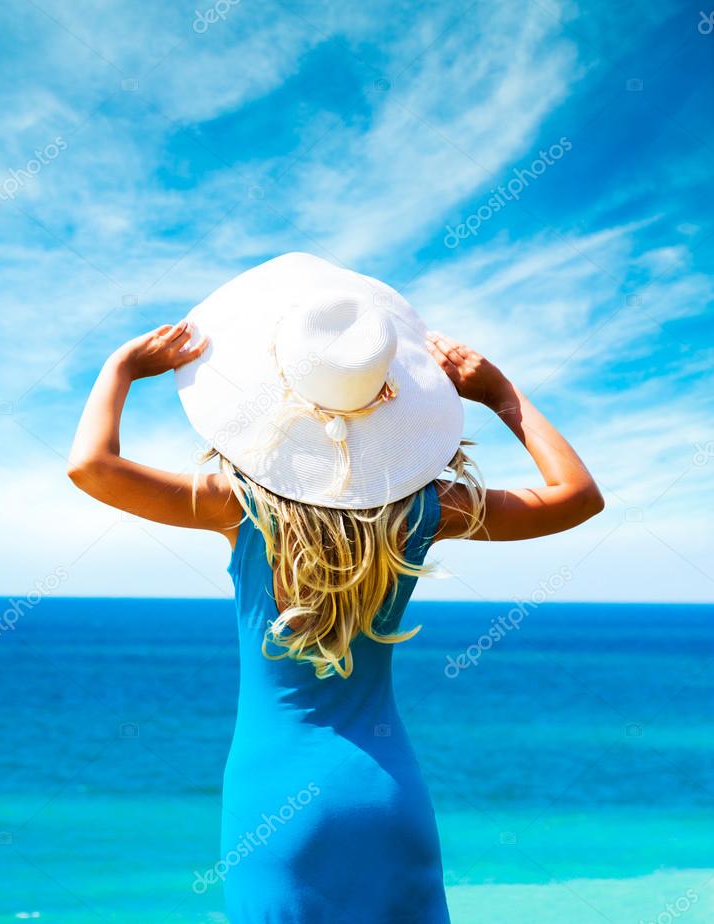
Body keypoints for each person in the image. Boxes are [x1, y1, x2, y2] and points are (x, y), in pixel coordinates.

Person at [67, 252, 603, 923]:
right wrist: (500, 395)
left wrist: (120, 368)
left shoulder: (237, 506)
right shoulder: (424, 510)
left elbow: (90, 466)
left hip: (275, 802)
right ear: (389, 397)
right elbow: (577, 498)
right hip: (387, 796)